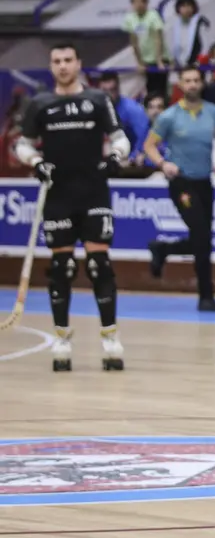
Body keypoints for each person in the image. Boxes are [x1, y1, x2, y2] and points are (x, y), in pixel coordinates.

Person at [14, 43, 131, 371]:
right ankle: (62, 338)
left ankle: (110, 338)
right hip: (59, 195)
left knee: (99, 266)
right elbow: (23, 144)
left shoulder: (97, 100)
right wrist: (36, 161)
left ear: (79, 63)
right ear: (51, 66)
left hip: (93, 192)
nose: (63, 66)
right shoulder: (40, 104)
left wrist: (115, 157)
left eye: (68, 60)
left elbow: (120, 138)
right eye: (57, 61)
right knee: (62, 269)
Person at [142, 65, 215, 313]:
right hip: (181, 182)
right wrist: (162, 163)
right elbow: (149, 145)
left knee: (203, 239)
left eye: (196, 80)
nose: (192, 85)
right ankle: (206, 295)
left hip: (205, 181)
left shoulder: (214, 113)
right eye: (187, 81)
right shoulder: (169, 116)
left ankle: (164, 249)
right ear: (180, 85)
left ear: (202, 84)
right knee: (201, 234)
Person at [123, 0, 166, 99]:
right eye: (135, 1)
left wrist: (159, 60)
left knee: (161, 91)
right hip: (145, 61)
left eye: (141, 1)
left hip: (160, 59)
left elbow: (158, 39)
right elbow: (134, 42)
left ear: (146, 2)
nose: (138, 4)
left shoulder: (153, 15)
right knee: (150, 91)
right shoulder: (129, 18)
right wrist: (139, 62)